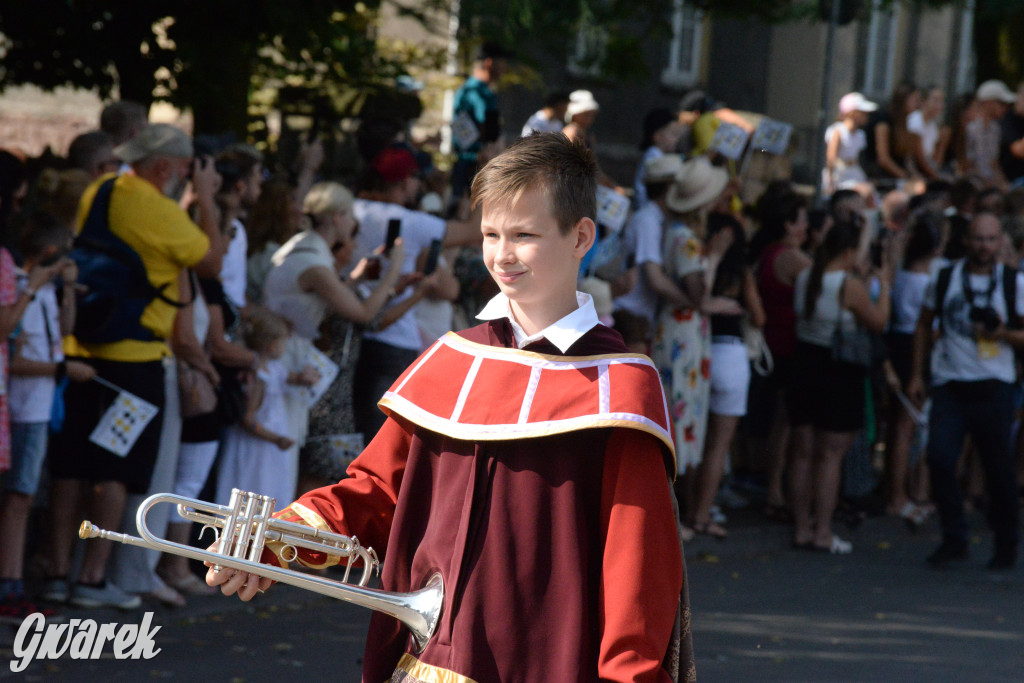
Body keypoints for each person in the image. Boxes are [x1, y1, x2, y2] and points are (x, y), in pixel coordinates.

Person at [208, 133, 693, 682]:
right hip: (424, 661)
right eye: (490, 234)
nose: (502, 256)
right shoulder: (453, 358)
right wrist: (276, 539)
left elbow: (637, 565)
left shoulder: (620, 385)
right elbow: (378, 491)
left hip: (548, 665)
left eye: (524, 235)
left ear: (582, 236)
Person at [43, 123, 223, 609]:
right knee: (116, 473)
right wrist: (204, 198)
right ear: (164, 167)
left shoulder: (100, 191)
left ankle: (59, 572)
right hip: (137, 365)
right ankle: (93, 580)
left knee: (70, 470)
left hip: (82, 348)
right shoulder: (162, 211)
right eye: (186, 167)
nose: (189, 174)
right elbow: (210, 262)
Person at [907, 212, 1023, 570]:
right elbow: (923, 325)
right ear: (966, 241)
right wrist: (916, 375)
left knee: (997, 468)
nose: (984, 247)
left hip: (994, 384)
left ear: (1000, 241)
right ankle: (953, 537)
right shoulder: (944, 278)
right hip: (950, 383)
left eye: (991, 239)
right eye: (978, 239)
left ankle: (1005, 542)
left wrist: (1001, 334)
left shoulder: (1012, 283)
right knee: (940, 458)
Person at [0, 213, 95, 619]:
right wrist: (60, 371)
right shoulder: (22, 292)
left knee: (23, 497)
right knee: (18, 497)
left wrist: (68, 290)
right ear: (51, 255)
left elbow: (65, 329)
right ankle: (10, 584)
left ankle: (13, 581)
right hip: (22, 408)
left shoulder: (44, 294)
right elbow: (14, 356)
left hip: (39, 409)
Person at [789, 218, 891, 554]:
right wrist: (885, 284)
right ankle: (822, 530)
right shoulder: (849, 284)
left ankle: (801, 527)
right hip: (837, 371)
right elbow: (877, 322)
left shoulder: (806, 276)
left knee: (803, 452)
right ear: (848, 252)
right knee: (830, 456)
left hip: (804, 365)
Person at [651, 157, 734, 498]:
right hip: (682, 336)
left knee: (679, 411)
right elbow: (697, 294)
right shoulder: (685, 238)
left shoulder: (676, 232)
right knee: (681, 413)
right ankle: (675, 509)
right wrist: (713, 258)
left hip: (679, 331)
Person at [687, 213, 765, 539]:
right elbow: (759, 317)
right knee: (719, 446)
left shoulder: (699, 263)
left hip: (701, 352)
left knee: (695, 439)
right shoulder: (741, 273)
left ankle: (687, 509)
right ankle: (702, 515)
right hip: (731, 354)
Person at [747, 185, 811, 519]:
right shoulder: (792, 257)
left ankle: (774, 488)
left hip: (774, 343)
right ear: (789, 224)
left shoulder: (769, 251)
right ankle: (775, 491)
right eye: (802, 221)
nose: (807, 227)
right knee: (784, 424)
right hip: (786, 346)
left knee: (779, 422)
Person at [214, 307, 317, 507]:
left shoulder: (274, 369)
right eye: (283, 342)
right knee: (254, 488)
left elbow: (290, 377)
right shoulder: (258, 378)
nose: (285, 348)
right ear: (271, 345)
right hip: (258, 447)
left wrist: (306, 377)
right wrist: (276, 438)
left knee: (268, 488)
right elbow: (248, 420)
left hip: (269, 448)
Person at [884, 209, 945, 527]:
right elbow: (928, 327)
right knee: (906, 427)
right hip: (912, 352)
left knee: (901, 426)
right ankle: (898, 496)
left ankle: (900, 492)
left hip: (899, 346)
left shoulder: (901, 276)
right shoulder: (924, 283)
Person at [451, 42, 509, 200]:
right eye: (503, 63)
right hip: (476, 168)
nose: (505, 69)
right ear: (489, 63)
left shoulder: (466, 90)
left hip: (465, 165)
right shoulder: (480, 93)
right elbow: (489, 131)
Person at [864, 81, 919, 184]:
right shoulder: (883, 122)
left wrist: (914, 175)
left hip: (900, 176)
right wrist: (905, 177)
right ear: (903, 100)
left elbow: (907, 157)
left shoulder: (906, 122)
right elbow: (883, 159)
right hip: (882, 177)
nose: (918, 104)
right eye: (915, 99)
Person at [823, 92, 877, 195]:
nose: (867, 115)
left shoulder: (860, 134)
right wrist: (830, 182)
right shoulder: (838, 131)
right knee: (864, 192)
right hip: (839, 176)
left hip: (854, 173)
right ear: (853, 113)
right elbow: (831, 158)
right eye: (863, 112)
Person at [966, 81, 1017, 185]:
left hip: (989, 185)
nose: (1005, 108)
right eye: (1002, 103)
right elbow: (967, 164)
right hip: (971, 185)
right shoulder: (969, 127)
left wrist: (1003, 184)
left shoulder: (995, 129)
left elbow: (993, 163)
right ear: (988, 102)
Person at [634, 108, 685, 208]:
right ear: (657, 136)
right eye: (673, 134)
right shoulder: (654, 156)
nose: (676, 139)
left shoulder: (658, 154)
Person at [908, 86, 949, 180]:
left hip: (926, 173)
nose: (940, 105)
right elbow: (918, 159)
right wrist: (936, 177)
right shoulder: (915, 121)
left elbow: (933, 161)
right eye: (935, 100)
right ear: (923, 101)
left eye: (942, 101)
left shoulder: (933, 126)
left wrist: (942, 143)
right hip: (913, 173)